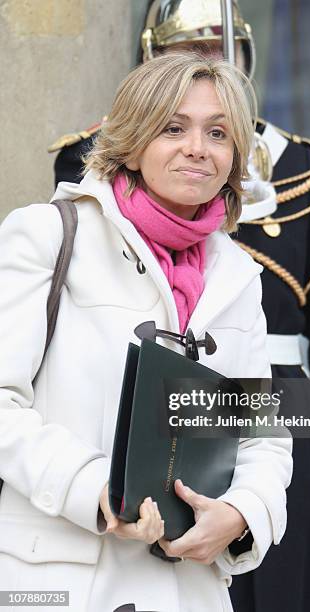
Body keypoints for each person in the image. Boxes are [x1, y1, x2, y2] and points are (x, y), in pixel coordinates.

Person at [48, 1, 310, 610]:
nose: (196, 147)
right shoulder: (86, 168)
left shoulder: (295, 164)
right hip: (142, 416)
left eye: (222, 51)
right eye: (190, 52)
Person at [0, 54, 293, 612]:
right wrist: (98, 492)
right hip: (61, 583)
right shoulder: (46, 235)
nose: (197, 148)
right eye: (173, 127)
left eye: (218, 133)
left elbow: (263, 436)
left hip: (191, 590)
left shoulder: (239, 275)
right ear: (132, 140)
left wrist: (241, 513)